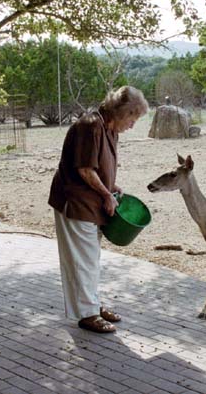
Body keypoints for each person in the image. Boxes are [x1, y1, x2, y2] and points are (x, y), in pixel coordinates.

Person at [48, 86, 149, 333]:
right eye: (132, 119)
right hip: (76, 202)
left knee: (90, 258)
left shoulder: (109, 128)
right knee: (82, 260)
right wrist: (106, 193)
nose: (133, 125)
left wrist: (111, 186)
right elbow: (84, 169)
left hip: (91, 203)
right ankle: (87, 314)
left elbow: (98, 167)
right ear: (121, 112)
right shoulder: (90, 126)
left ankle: (92, 304)